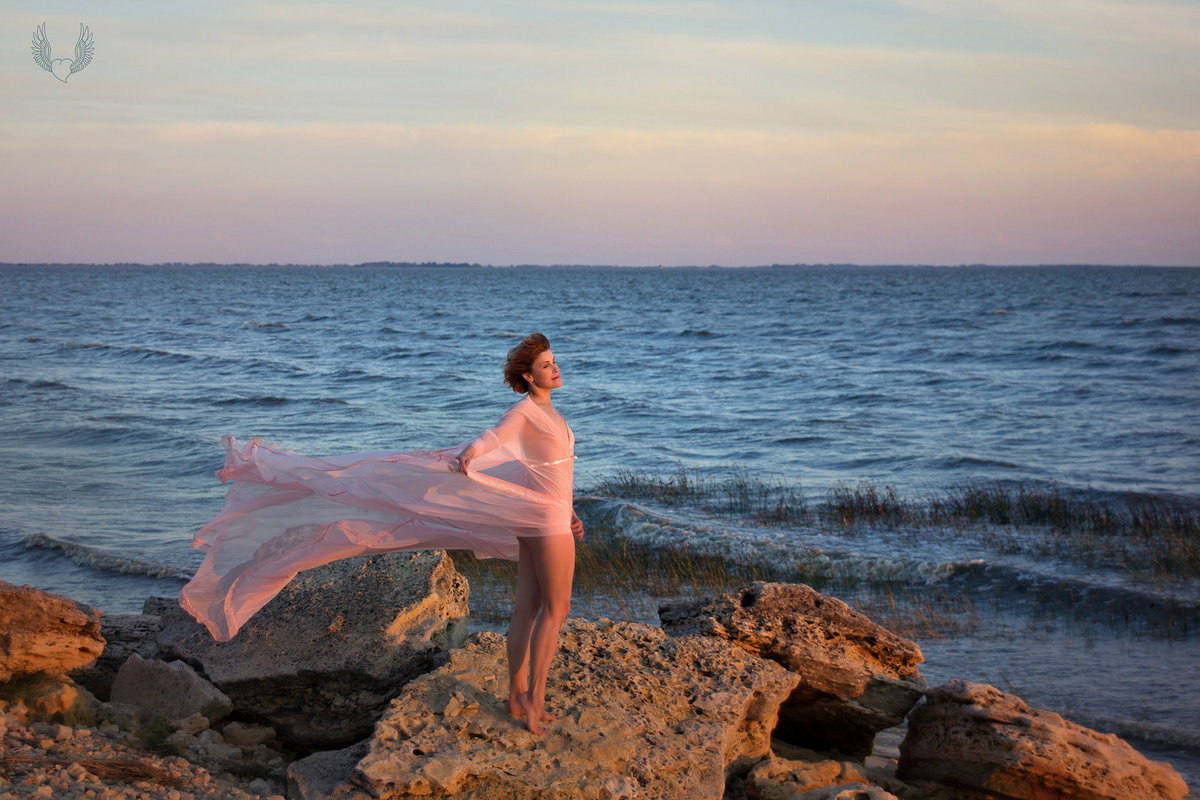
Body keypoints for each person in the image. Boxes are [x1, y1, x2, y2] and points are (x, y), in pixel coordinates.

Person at [179, 332, 582, 736]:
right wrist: (470, 455)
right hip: (545, 522)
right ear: (528, 377)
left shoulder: (553, 414)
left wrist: (571, 512)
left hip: (545, 514)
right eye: (546, 365)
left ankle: (516, 694)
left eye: (553, 361)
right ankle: (533, 700)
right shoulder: (523, 413)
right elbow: (492, 437)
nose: (555, 368)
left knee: (528, 609)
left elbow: (550, 474)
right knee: (556, 610)